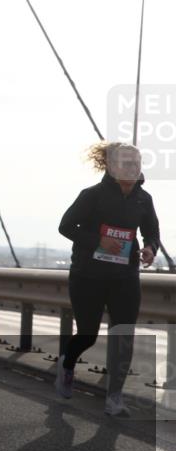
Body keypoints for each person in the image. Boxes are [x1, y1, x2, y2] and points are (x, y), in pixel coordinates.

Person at [56, 142, 160, 415]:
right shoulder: (92, 195)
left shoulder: (143, 199)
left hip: (125, 277)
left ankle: (115, 397)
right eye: (126, 163)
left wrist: (150, 248)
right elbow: (65, 226)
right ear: (111, 167)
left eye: (136, 163)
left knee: (124, 335)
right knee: (88, 334)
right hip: (87, 276)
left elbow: (152, 232)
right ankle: (67, 364)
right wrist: (98, 241)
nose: (132, 167)